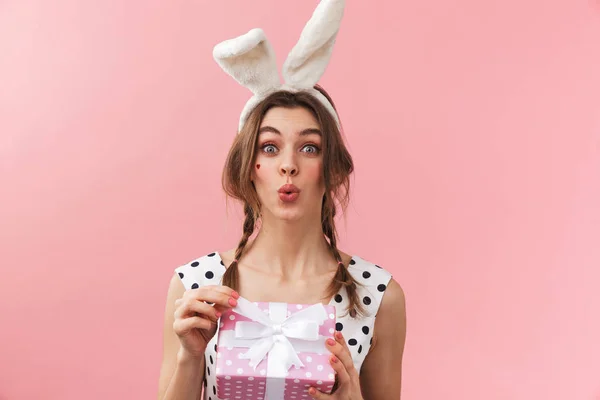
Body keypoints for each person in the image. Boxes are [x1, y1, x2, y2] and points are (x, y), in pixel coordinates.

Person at [157, 1, 406, 399]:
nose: (288, 165)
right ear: (248, 167)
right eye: (270, 147)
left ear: (333, 169)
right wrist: (190, 357)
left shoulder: (378, 295)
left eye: (309, 148)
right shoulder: (195, 286)